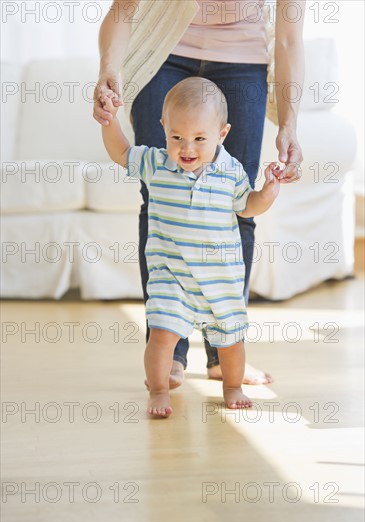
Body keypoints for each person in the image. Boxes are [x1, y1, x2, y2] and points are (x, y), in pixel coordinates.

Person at [93, 0, 305, 389]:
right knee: (158, 192)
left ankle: (222, 353)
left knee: (239, 208)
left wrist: (290, 123)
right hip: (164, 53)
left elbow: (289, 39)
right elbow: (123, 9)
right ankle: (167, 350)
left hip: (243, 62)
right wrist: (109, 69)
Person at [101, 76, 287, 417]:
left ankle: (231, 387)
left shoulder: (231, 171)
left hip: (221, 278)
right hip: (172, 275)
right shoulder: (156, 163)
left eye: (200, 139)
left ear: (222, 134)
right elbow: (121, 152)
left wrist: (269, 191)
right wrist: (110, 121)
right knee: (162, 335)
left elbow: (247, 206)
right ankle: (158, 390)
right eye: (177, 137)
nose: (187, 149)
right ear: (164, 128)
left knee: (231, 342)